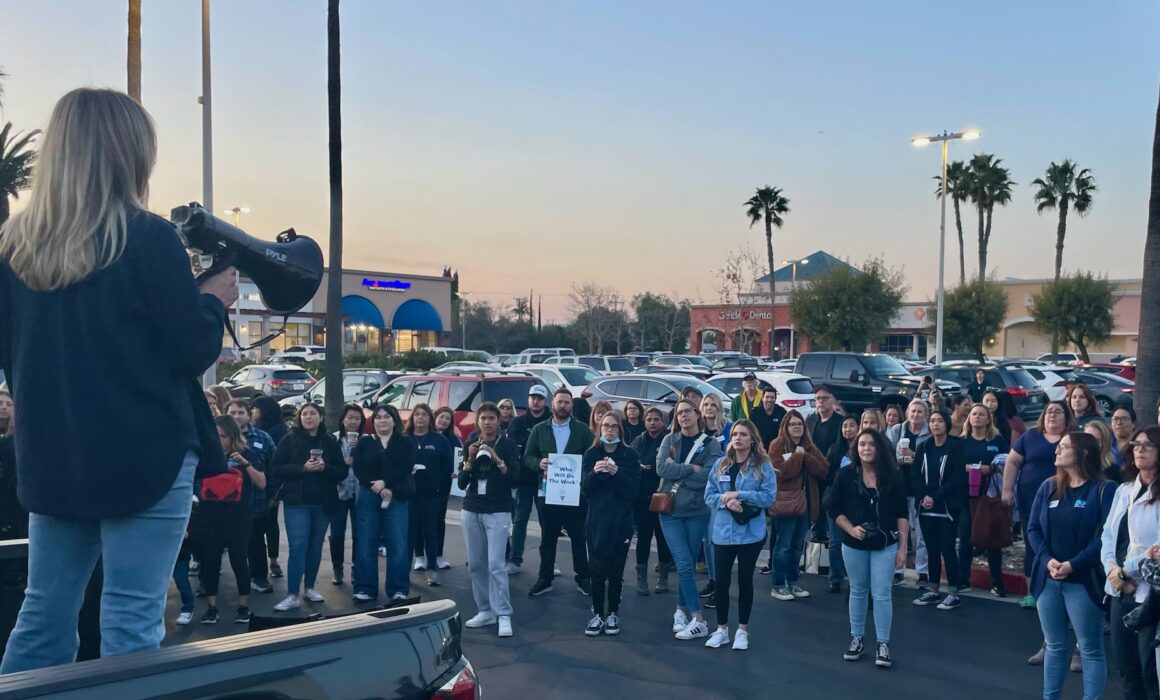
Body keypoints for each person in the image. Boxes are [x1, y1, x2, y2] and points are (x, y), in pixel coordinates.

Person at [0, 88, 237, 673]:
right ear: (126, 151)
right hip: (144, 458)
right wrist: (211, 302)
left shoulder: (14, 247)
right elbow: (190, 351)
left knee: (43, 612)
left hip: (53, 459)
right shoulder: (148, 237)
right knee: (131, 619)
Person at [1027, 432, 1116, 700]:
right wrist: (1047, 560)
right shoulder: (1048, 487)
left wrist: (1072, 564)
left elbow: (1105, 536)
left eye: (1064, 447)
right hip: (1048, 579)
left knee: (1089, 649)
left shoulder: (1104, 490)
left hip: (1083, 580)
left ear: (1083, 453)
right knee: (1054, 646)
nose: (1057, 450)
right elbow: (1032, 530)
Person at [827, 428, 909, 669]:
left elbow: (902, 513)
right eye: (861, 444)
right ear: (856, 448)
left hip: (885, 542)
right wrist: (850, 529)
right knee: (858, 590)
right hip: (854, 543)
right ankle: (857, 638)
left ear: (879, 447)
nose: (866, 448)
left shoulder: (893, 476)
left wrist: (903, 548)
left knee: (882, 592)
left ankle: (883, 643)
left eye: (871, 444)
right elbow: (833, 508)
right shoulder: (845, 475)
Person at [703, 420, 777, 650]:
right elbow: (709, 496)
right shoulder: (720, 465)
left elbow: (768, 497)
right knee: (722, 582)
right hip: (723, 532)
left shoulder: (763, 465)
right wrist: (726, 500)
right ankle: (722, 629)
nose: (738, 438)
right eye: (735, 434)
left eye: (743, 434)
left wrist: (740, 494)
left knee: (745, 581)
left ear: (752, 439)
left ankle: (742, 630)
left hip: (750, 534)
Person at [1101, 426, 1160, 700]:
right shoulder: (1124, 490)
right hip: (1119, 591)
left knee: (1151, 674)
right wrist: (1113, 570)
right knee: (1127, 671)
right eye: (1136, 445)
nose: (1140, 449)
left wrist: (1126, 570)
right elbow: (1108, 535)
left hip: (1150, 595)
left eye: (1148, 445)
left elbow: (1157, 551)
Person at [657, 398, 723, 640]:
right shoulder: (669, 440)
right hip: (670, 511)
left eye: (687, 411)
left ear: (697, 415)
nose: (683, 416)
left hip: (697, 513)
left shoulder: (711, 443)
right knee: (685, 564)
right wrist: (689, 469)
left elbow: (709, 476)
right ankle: (699, 619)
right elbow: (661, 469)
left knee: (688, 565)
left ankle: (679, 610)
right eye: (679, 413)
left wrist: (680, 471)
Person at [271, 403, 346, 611]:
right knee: (297, 546)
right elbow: (276, 468)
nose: (308, 417)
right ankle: (292, 594)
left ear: (321, 417)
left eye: (313, 413)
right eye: (304, 414)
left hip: (323, 502)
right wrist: (302, 468)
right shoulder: (289, 439)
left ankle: (310, 587)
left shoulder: (330, 441)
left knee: (315, 546)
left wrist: (325, 468)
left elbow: (341, 472)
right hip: (297, 502)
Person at [1004, 400, 1076, 614]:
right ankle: (1032, 592)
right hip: (1030, 502)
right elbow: (1012, 462)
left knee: (1060, 544)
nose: (1052, 415)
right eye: (1049, 411)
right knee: (1032, 544)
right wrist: (1007, 490)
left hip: (1064, 502)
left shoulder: (1073, 438)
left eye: (1058, 412)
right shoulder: (1030, 436)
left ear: (1067, 416)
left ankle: (1062, 591)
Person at [524, 389, 595, 597]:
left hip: (575, 492)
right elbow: (527, 457)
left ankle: (583, 577)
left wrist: (582, 470)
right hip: (547, 491)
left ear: (571, 406)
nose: (562, 406)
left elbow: (591, 455)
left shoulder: (582, 430)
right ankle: (545, 578)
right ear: (552, 404)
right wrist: (539, 463)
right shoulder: (539, 429)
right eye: (559, 402)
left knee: (578, 536)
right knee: (548, 537)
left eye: (566, 402)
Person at [199, 416, 267, 625]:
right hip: (210, 514)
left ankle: (243, 605)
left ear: (233, 437)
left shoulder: (246, 454)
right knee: (209, 561)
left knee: (239, 560)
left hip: (239, 515)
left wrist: (244, 464)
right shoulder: (207, 455)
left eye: (224, 436)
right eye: (216, 436)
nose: (220, 440)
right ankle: (211, 607)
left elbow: (262, 483)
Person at [459, 403, 519, 638]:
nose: (487, 422)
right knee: (476, 564)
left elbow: (515, 478)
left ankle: (503, 613)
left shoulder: (507, 445)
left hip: (498, 509)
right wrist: (470, 460)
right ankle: (485, 610)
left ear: (498, 421)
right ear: (478, 421)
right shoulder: (470, 445)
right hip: (472, 507)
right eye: (483, 418)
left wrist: (497, 459)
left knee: (496, 564)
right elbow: (462, 482)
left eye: (491, 418)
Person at [581, 411, 641, 636]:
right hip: (596, 520)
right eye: (605, 426)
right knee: (596, 570)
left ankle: (613, 612)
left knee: (615, 571)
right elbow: (585, 489)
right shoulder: (591, 454)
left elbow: (631, 492)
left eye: (614, 426)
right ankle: (597, 613)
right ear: (599, 429)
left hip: (621, 521)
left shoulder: (629, 456)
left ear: (620, 430)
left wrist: (617, 474)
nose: (609, 430)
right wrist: (595, 473)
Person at [351, 404, 416, 603]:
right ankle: (365, 587)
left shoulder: (404, 442)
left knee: (397, 543)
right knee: (366, 542)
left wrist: (387, 483)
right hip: (369, 494)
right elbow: (358, 467)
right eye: (378, 417)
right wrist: (377, 486)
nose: (382, 420)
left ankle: (398, 588)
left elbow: (405, 467)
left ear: (394, 419)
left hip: (396, 496)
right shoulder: (365, 442)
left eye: (386, 416)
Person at [768, 410, 828, 601]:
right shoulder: (776, 446)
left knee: (796, 546)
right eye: (792, 424)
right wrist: (797, 457)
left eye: (799, 424)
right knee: (783, 545)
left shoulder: (808, 446)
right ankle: (778, 585)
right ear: (785, 426)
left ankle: (792, 582)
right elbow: (780, 473)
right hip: (785, 503)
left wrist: (805, 456)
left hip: (806, 504)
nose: (796, 427)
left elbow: (823, 469)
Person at [910, 410, 967, 611]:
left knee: (947, 549)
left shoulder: (955, 447)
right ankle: (933, 589)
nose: (936, 424)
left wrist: (935, 497)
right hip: (926, 507)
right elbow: (915, 474)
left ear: (947, 424)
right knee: (931, 549)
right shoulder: (924, 447)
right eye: (932, 421)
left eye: (940, 421)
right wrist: (925, 496)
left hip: (947, 507)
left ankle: (953, 592)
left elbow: (957, 478)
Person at [224, 399, 278, 593]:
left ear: (249, 414)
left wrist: (273, 496)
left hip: (256, 501)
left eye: (241, 412)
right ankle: (210, 582)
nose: (237, 416)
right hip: (225, 504)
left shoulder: (263, 438)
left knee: (256, 541)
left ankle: (260, 577)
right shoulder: (219, 437)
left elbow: (274, 468)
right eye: (232, 413)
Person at [958, 403, 1010, 597]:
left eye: (981, 414)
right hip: (967, 496)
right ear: (969, 418)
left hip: (990, 497)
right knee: (965, 539)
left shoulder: (997, 440)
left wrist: (991, 468)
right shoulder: (961, 441)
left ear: (988, 419)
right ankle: (963, 579)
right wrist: (965, 468)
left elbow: (1008, 462)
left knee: (992, 539)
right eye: (974, 414)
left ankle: (997, 582)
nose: (977, 417)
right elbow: (953, 467)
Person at [506, 385, 552, 575]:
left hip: (547, 479)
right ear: (528, 400)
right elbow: (515, 449)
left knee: (548, 523)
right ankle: (515, 560)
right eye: (533, 397)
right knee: (520, 520)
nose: (536, 401)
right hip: (524, 479)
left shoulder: (552, 421)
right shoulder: (517, 422)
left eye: (540, 398)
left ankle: (550, 561)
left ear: (545, 401)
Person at [886, 399, 931, 586]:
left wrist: (915, 457)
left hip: (920, 488)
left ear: (925, 415)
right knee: (899, 530)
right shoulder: (897, 430)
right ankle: (897, 569)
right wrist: (899, 460)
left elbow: (931, 461)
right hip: (899, 487)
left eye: (920, 412)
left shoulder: (929, 434)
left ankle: (922, 571)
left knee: (920, 531)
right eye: (913, 411)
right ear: (907, 412)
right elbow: (887, 455)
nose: (915, 415)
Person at [407, 404, 453, 586]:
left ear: (429, 418)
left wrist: (442, 491)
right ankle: (409, 565)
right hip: (408, 494)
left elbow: (447, 467)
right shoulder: (405, 439)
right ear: (412, 418)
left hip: (431, 494)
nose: (420, 418)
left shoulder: (439, 440)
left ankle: (432, 568)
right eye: (416, 414)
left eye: (424, 415)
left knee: (430, 531)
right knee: (409, 531)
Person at [630, 406, 674, 595]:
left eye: (656, 419)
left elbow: (673, 465)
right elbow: (630, 462)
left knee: (663, 538)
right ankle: (641, 577)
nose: (652, 423)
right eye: (649, 420)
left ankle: (663, 576)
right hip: (642, 498)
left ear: (662, 422)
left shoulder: (669, 440)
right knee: (644, 539)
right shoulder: (639, 440)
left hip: (663, 496)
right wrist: (638, 467)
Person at [818, 415, 860, 592]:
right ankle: (835, 578)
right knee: (835, 542)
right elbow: (827, 475)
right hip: (836, 501)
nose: (847, 430)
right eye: (844, 426)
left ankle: (855, 580)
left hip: (856, 502)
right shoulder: (834, 449)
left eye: (851, 426)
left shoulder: (862, 449)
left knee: (855, 541)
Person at [699, 392, 732, 598]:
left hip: (720, 489)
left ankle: (721, 582)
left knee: (715, 538)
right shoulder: (699, 430)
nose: (709, 408)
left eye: (713, 404)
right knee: (705, 540)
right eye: (706, 404)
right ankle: (712, 579)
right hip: (699, 487)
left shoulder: (728, 428)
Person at [251, 395, 287, 581]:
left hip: (271, 487)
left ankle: (273, 560)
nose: (252, 412)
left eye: (255, 408)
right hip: (256, 488)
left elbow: (276, 460)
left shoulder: (276, 431)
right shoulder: (256, 430)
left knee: (270, 525)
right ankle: (266, 563)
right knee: (262, 527)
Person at [327, 404, 364, 586]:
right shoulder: (332, 439)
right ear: (343, 420)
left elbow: (374, 463)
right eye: (349, 417)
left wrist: (359, 455)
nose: (352, 422)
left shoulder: (366, 440)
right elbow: (327, 464)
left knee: (359, 534)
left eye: (356, 418)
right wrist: (344, 462)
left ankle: (356, 568)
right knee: (337, 533)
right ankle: (337, 568)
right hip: (338, 492)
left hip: (360, 493)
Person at [806, 385, 844, 544]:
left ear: (833, 400)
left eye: (825, 398)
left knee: (828, 510)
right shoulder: (810, 420)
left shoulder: (840, 422)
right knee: (814, 511)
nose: (821, 402)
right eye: (818, 399)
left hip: (832, 474)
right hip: (812, 473)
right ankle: (816, 541)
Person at [429, 407, 460, 571]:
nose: (444, 421)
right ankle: (420, 556)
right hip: (425, 486)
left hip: (443, 487)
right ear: (435, 417)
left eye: (448, 419)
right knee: (422, 522)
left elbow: (460, 460)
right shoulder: (426, 436)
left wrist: (457, 472)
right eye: (441, 417)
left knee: (439, 521)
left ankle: (438, 555)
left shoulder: (454, 439)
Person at [1085, 419, 1122, 483]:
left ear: (1104, 443)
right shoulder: (1075, 468)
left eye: (1096, 440)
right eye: (1087, 438)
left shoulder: (1113, 471)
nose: (1090, 443)